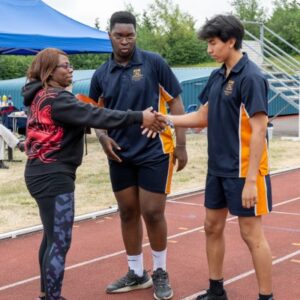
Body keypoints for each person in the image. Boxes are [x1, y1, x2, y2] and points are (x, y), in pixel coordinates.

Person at [21, 47, 164, 300]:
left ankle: (46, 295)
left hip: (39, 173)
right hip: (53, 176)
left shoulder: (40, 96)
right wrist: (138, 116)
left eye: (70, 65)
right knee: (60, 241)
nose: (70, 69)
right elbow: (97, 114)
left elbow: (82, 117)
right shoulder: (57, 99)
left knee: (51, 237)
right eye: (65, 66)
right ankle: (52, 297)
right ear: (49, 71)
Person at [161, 14, 274, 300]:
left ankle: (266, 296)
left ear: (231, 41)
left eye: (213, 43)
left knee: (251, 235)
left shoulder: (251, 77)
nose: (209, 49)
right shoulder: (217, 75)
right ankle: (216, 290)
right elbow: (202, 116)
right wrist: (166, 120)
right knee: (211, 226)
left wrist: (250, 181)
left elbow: (259, 130)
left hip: (245, 171)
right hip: (218, 169)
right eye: (208, 44)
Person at [89, 11, 187, 300]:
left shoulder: (153, 62)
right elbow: (94, 112)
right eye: (119, 35)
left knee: (153, 212)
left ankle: (159, 271)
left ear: (136, 35)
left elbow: (177, 101)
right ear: (109, 35)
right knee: (127, 212)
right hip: (119, 154)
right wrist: (102, 136)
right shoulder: (101, 74)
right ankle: (136, 272)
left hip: (154, 151)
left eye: (129, 35)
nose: (124, 41)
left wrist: (181, 145)